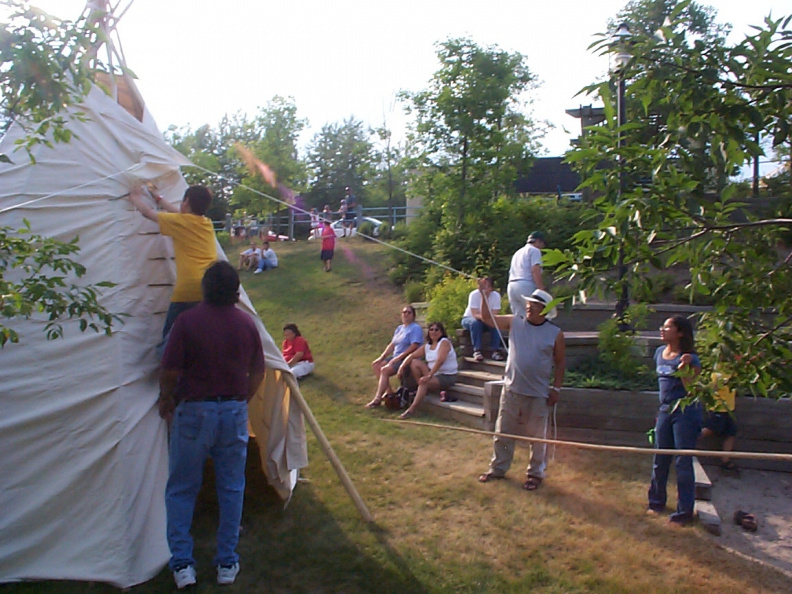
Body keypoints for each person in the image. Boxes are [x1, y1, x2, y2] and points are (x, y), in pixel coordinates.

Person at [159, 261, 266, 588]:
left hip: (194, 411)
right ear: (235, 290)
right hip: (232, 411)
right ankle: (227, 562)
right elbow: (258, 370)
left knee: (181, 489)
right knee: (232, 488)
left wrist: (167, 398)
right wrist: (241, 400)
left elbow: (169, 370)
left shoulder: (187, 322)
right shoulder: (246, 324)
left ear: (205, 288)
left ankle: (183, 565)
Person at [478, 287, 565, 491]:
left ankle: (535, 474)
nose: (528, 307)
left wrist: (557, 389)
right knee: (503, 432)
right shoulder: (515, 322)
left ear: (544, 309)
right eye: (528, 304)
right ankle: (498, 468)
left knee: (537, 438)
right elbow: (487, 318)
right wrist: (484, 295)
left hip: (538, 393)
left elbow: (560, 363)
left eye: (533, 305)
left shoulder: (555, 334)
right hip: (512, 390)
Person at [128, 184, 217, 345]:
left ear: (186, 201)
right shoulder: (206, 223)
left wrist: (135, 198)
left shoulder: (180, 221)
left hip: (188, 288)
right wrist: (159, 198)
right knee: (201, 336)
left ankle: (170, 364)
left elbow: (148, 213)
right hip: (210, 287)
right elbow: (177, 213)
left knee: (170, 339)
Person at [647, 315, 702, 525]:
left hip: (685, 412)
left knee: (682, 461)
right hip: (665, 410)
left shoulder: (690, 358)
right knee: (660, 458)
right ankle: (656, 502)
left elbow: (693, 390)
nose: (662, 329)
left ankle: (684, 512)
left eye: (667, 327)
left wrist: (684, 370)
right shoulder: (660, 353)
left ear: (680, 332)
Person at [366, 305, 424, 408]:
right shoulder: (399, 328)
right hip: (395, 356)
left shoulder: (415, 328)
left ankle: (377, 399)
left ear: (413, 316)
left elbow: (414, 346)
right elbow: (392, 345)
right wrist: (381, 357)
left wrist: (399, 358)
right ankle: (389, 393)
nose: (406, 314)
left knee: (385, 370)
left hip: (407, 358)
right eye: (404, 312)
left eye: (408, 312)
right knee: (377, 365)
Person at [397, 322, 458, 419]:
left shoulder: (444, 342)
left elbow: (440, 361)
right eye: (431, 329)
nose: (434, 332)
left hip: (447, 375)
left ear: (441, 332)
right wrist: (401, 367)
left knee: (423, 383)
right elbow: (412, 355)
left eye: (437, 329)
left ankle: (411, 410)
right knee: (414, 362)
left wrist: (429, 375)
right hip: (434, 373)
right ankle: (423, 391)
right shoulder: (427, 346)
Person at [700, 372, 738, 473]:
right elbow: (712, 388)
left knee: (731, 433)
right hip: (718, 407)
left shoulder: (734, 369)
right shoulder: (717, 371)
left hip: (729, 408)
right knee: (711, 429)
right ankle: (687, 441)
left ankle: (725, 460)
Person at [461, 276, 504, 362]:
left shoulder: (496, 296)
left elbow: (495, 313)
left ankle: (496, 351)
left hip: (487, 320)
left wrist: (487, 319)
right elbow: (475, 314)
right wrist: (486, 318)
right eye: (482, 285)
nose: (483, 288)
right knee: (476, 323)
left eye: (486, 286)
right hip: (470, 318)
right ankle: (477, 350)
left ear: (491, 288)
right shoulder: (474, 294)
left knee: (494, 323)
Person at [507, 231, 546, 317]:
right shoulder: (535, 250)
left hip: (512, 285)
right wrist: (541, 288)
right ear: (538, 241)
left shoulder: (518, 252)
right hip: (525, 284)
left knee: (519, 318)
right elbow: (535, 270)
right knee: (537, 315)